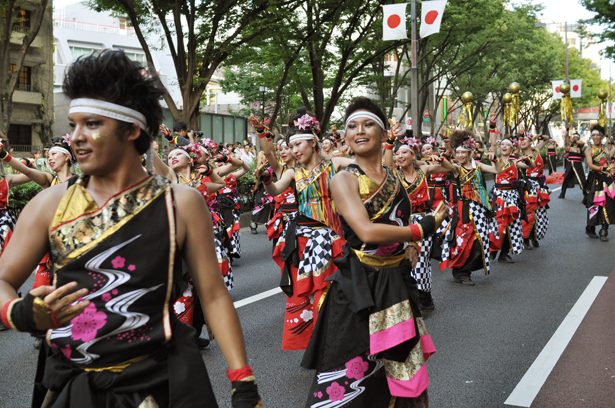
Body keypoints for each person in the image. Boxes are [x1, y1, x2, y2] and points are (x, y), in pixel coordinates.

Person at [0, 50, 262, 408]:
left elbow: (213, 294)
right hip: (73, 384)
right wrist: (20, 312)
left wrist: (242, 381)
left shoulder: (180, 204)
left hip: (164, 382)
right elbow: (2, 280)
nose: (75, 137)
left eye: (91, 124)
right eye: (73, 124)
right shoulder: (50, 204)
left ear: (133, 129)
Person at [302, 97, 443, 407]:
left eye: (367, 124)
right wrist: (419, 231)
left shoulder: (393, 177)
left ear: (383, 135)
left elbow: (400, 218)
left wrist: (411, 245)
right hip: (360, 287)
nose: (359, 131)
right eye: (351, 126)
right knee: (353, 373)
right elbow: (366, 232)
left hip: (394, 283)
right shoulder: (344, 179)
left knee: (402, 370)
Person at [257, 108, 354, 350]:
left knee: (331, 288)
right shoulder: (292, 172)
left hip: (333, 235)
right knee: (304, 291)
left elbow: (368, 165)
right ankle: (315, 342)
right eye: (292, 146)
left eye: (299, 144)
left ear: (313, 143)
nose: (295, 150)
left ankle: (334, 338)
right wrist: (267, 180)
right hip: (303, 238)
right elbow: (276, 191)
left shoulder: (336, 163)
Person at [384, 135, 454, 311]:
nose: (400, 156)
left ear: (414, 156)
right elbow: (386, 163)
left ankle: (424, 297)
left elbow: (448, 168)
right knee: (403, 258)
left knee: (421, 259)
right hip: (402, 222)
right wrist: (390, 143)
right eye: (397, 153)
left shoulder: (424, 171)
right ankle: (408, 296)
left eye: (404, 152)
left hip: (424, 220)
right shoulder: (395, 174)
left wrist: (442, 159)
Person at [440, 130, 502, 286]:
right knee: (464, 240)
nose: (460, 155)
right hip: (463, 209)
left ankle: (463, 271)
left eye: (463, 152)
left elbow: (498, 171)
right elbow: (448, 165)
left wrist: (495, 160)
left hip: (480, 209)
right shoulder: (456, 168)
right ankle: (461, 272)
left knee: (478, 240)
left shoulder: (479, 166)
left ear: (470, 153)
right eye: (458, 152)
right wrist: (441, 159)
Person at [488, 138, 532, 263]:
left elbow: (531, 165)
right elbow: (492, 143)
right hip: (498, 197)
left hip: (512, 197)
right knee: (496, 224)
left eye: (508, 145)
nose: (504, 146)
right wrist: (492, 126)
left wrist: (525, 158)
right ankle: (493, 250)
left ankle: (504, 253)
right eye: (502, 144)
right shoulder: (495, 161)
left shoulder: (515, 162)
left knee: (511, 224)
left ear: (512, 149)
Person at [582, 124, 615, 241]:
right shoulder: (588, 150)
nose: (595, 137)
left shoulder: (606, 149)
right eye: (593, 135)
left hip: (607, 179)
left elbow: (609, 162)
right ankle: (590, 227)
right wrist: (604, 169)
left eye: (598, 135)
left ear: (602, 136)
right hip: (595, 180)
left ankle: (604, 229)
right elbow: (591, 165)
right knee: (594, 204)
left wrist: (611, 168)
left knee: (608, 203)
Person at [519, 133, 551, 250]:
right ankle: (526, 238)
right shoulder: (520, 155)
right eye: (520, 141)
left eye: (525, 140)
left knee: (539, 212)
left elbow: (547, 139)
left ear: (531, 142)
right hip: (527, 186)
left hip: (539, 186)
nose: (522, 142)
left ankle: (534, 236)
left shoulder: (537, 150)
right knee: (528, 212)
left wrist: (541, 136)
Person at [558, 131, 586, 199]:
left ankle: (586, 195)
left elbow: (582, 142)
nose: (575, 138)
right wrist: (567, 130)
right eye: (574, 137)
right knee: (566, 177)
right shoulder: (571, 143)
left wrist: (575, 141)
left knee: (581, 179)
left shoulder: (580, 144)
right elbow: (566, 137)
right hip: (570, 163)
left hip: (577, 163)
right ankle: (562, 193)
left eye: (576, 137)